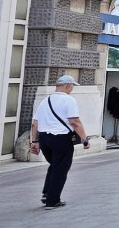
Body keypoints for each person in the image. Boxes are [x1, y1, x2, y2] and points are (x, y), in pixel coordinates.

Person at [29, 75, 91, 208]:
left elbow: (34, 123)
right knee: (60, 169)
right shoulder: (69, 100)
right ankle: (53, 200)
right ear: (68, 85)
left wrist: (34, 141)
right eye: (72, 86)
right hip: (61, 139)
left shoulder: (45, 100)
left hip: (45, 139)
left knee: (55, 165)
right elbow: (74, 121)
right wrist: (85, 138)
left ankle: (47, 193)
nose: (72, 89)